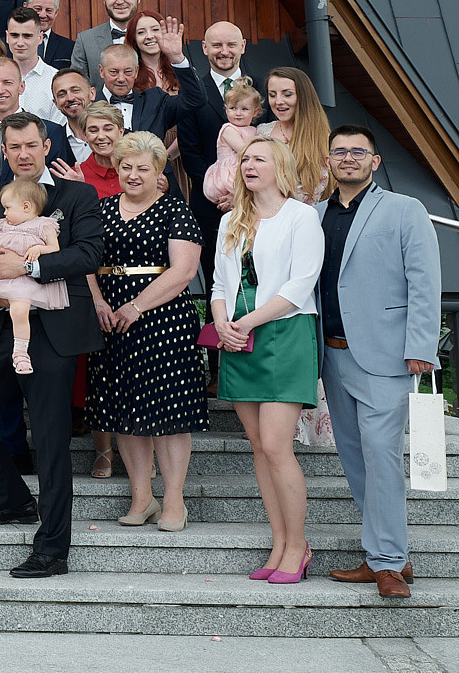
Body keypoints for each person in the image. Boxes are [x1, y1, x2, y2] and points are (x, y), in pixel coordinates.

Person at [0, 112, 105, 579]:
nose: (23, 154)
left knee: (52, 440)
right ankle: (16, 500)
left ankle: (53, 548)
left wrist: (31, 269)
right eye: (13, 147)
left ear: (46, 146)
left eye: (31, 145)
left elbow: (89, 253)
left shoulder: (76, 195)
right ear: (3, 150)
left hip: (53, 331)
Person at [319, 125, 442, 599]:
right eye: (339, 152)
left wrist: (421, 347)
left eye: (357, 152)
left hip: (388, 356)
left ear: (374, 161)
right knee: (354, 459)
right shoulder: (314, 215)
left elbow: (425, 283)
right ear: (329, 161)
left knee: (382, 456)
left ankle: (389, 563)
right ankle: (386, 553)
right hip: (330, 353)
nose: (347, 158)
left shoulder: (404, 209)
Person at [213, 135, 324, 585]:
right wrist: (222, 323)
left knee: (278, 446)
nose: (248, 165)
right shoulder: (230, 221)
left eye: (258, 158)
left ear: (279, 165)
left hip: (283, 333)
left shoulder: (302, 216)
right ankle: (278, 542)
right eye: (244, 159)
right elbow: (219, 285)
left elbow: (301, 285)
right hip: (238, 337)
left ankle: (298, 546)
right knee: (259, 447)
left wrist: (248, 321)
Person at [85, 131, 207, 532]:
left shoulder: (175, 210)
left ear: (159, 173)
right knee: (123, 410)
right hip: (111, 321)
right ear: (116, 169)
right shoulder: (99, 211)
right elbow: (85, 262)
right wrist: (100, 302)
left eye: (143, 168)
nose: (133, 175)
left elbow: (184, 271)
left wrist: (137, 306)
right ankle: (142, 495)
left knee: (168, 411)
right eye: (126, 167)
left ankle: (174, 498)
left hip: (163, 320)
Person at [0, 180, 65, 375]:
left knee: (19, 312)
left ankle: (21, 353)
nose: (4, 213)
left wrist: (39, 248)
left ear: (26, 206)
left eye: (8, 208)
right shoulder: (4, 227)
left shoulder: (43, 225)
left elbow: (55, 249)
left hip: (21, 282)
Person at [167, 18, 248, 254]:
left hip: (258, 203)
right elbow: (190, 154)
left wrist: (245, 193)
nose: (224, 52)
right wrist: (221, 192)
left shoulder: (263, 89)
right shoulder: (192, 93)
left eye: (231, 45)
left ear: (242, 46)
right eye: (217, 45)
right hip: (210, 206)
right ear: (204, 48)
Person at [0, 59, 71, 185]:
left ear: (21, 87)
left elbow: (61, 185)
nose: (0, 90)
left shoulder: (52, 132)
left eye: (7, 83)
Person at [261, 66, 333, 204]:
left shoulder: (323, 138)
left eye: (287, 94)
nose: (278, 101)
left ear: (303, 96)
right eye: (272, 94)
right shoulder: (260, 132)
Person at [68, 0, 141, 77]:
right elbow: (77, 84)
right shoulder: (85, 40)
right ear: (104, 0)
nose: (120, 1)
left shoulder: (154, 37)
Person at [0, 8, 61, 123]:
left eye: (27, 36)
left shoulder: (55, 79)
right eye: (15, 35)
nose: (20, 42)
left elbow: (58, 130)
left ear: (40, 38)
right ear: (7, 37)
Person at [26, 0, 74, 69]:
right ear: (25, 7)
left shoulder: (70, 47)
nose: (43, 15)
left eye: (48, 10)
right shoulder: (8, 45)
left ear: (56, 13)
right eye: (38, 9)